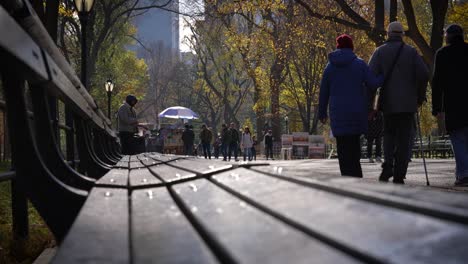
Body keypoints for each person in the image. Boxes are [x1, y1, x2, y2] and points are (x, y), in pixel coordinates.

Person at [369, 21, 430, 184]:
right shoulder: (411, 52)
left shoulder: (379, 52)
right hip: (408, 104)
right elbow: (424, 74)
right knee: (404, 138)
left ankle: (388, 165)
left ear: (388, 34)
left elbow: (370, 79)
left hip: (388, 103)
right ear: (402, 35)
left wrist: (371, 104)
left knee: (388, 135)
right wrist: (419, 95)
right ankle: (400, 172)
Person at [318, 34, 383, 177]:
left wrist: (322, 113)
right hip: (356, 113)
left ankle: (346, 180)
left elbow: (323, 93)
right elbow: (373, 83)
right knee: (354, 148)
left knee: (342, 149)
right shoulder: (359, 64)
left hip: (338, 114)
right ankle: (356, 178)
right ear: (351, 47)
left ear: (338, 47)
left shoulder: (329, 68)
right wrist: (384, 75)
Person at [432, 24, 468, 187]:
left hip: (453, 104)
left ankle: (463, 174)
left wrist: (436, 107)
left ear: (448, 36)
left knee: (458, 140)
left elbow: (437, 82)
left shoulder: (443, 54)